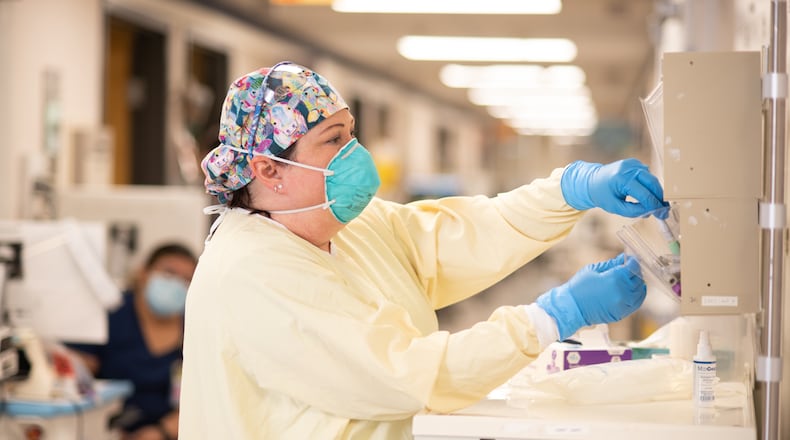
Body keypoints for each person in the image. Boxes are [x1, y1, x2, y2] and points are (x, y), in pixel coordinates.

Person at [179, 62, 667, 439]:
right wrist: (554, 316)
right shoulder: (251, 272)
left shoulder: (348, 226)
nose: (356, 153)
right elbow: (407, 374)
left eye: (351, 133)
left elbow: (466, 234)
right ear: (269, 170)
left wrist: (568, 191)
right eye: (333, 140)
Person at [69, 243, 197, 440]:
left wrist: (160, 433)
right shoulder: (112, 314)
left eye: (186, 279)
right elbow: (78, 370)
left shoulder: (195, 328)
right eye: (169, 273)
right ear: (143, 272)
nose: (176, 284)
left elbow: (204, 399)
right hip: (104, 429)